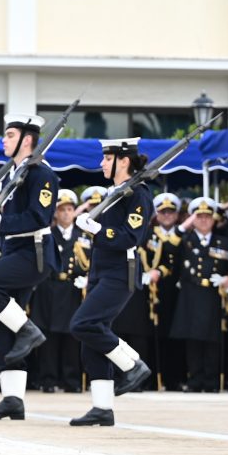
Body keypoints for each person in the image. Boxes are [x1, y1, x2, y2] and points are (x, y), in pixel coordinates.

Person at [0, 114, 58, 421]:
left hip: (34, 253)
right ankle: (13, 400)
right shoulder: (14, 173)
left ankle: (29, 330)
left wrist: (3, 221)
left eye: (9, 135)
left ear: (27, 140)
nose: (3, 140)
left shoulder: (41, 174)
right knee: (1, 326)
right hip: (15, 250)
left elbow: (40, 218)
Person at [69, 138, 155, 425]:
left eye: (107, 159)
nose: (101, 163)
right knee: (90, 338)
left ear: (123, 160)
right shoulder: (116, 193)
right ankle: (102, 408)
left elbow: (131, 237)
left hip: (121, 272)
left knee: (83, 324)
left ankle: (132, 364)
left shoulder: (138, 194)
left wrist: (98, 230)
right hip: (100, 270)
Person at [169, 197, 228, 392]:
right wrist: (184, 226)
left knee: (212, 339)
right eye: (199, 216)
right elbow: (168, 247)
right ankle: (195, 380)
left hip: (214, 295)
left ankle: (212, 381)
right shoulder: (185, 241)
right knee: (193, 339)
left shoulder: (223, 242)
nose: (204, 220)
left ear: (214, 219)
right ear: (193, 219)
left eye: (208, 216)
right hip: (191, 295)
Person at [34, 189, 88, 394]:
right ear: (55, 213)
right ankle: (48, 379)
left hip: (73, 288)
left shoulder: (83, 237)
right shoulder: (47, 235)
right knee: (49, 336)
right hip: (49, 287)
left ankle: (71, 379)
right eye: (61, 210)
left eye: (69, 209)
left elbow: (90, 261)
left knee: (71, 336)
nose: (65, 213)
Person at [149, 193, 185, 390]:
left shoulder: (183, 234)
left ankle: (175, 378)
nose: (167, 215)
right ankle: (155, 377)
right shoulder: (149, 234)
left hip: (177, 292)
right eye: (163, 212)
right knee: (155, 335)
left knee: (176, 335)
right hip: (154, 291)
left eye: (171, 212)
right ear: (157, 214)